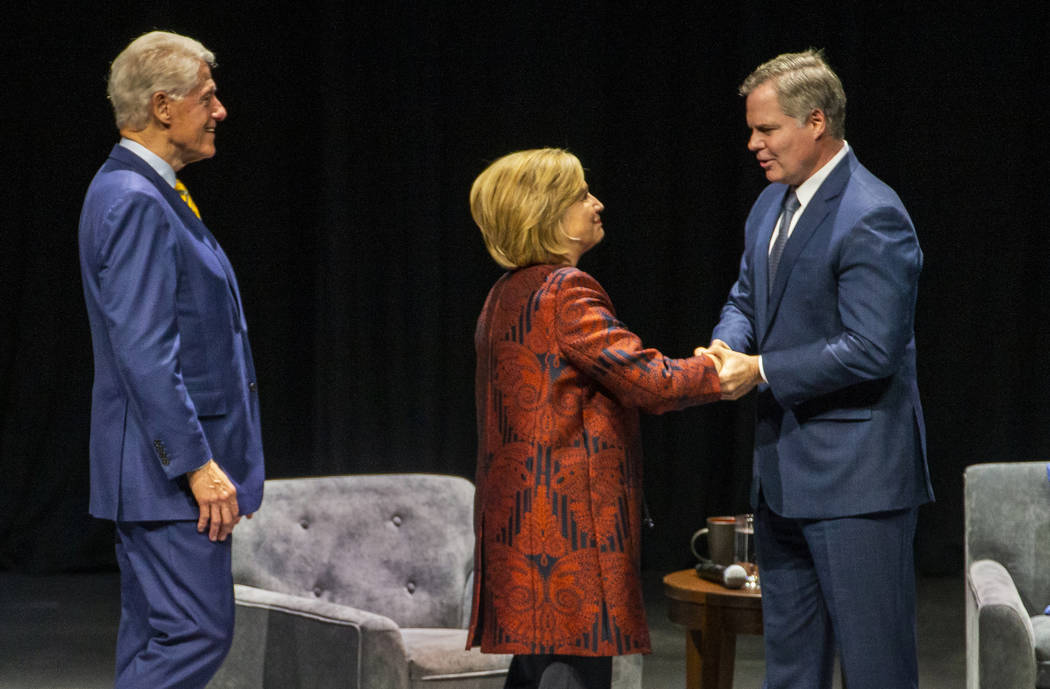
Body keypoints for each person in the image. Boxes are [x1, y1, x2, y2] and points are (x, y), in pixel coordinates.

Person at [699, 50, 933, 689]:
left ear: (816, 122)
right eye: (752, 129)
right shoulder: (769, 207)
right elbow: (746, 299)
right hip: (781, 481)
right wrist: (726, 347)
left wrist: (762, 369)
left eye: (766, 129)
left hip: (858, 486)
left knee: (875, 669)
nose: (753, 144)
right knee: (791, 673)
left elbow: (871, 347)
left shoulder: (873, 213)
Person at [466, 148, 722, 689]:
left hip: (521, 530)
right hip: (567, 538)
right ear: (547, 211)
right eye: (583, 194)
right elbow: (650, 381)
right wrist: (721, 372)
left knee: (537, 672)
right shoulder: (565, 291)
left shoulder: (505, 293)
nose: (597, 203)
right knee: (571, 674)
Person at [78, 31, 264, 689]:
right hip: (169, 474)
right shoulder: (135, 198)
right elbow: (146, 352)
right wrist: (196, 464)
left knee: (156, 637)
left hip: (156, 471)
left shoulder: (146, 189)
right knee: (194, 632)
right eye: (207, 96)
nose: (219, 110)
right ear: (162, 105)